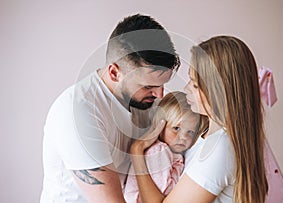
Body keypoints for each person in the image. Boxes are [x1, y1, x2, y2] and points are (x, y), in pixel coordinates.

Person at [41, 14, 180, 203]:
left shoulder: (142, 100)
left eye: (162, 85)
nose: (160, 95)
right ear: (115, 73)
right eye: (148, 86)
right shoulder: (77, 112)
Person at [130, 36, 269, 203]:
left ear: (218, 91)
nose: (186, 88)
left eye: (195, 84)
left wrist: (136, 151)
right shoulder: (205, 131)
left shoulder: (219, 150)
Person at [124, 91, 207, 203]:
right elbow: (163, 191)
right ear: (160, 126)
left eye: (190, 132)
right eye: (176, 128)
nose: (183, 137)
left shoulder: (173, 153)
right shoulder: (159, 151)